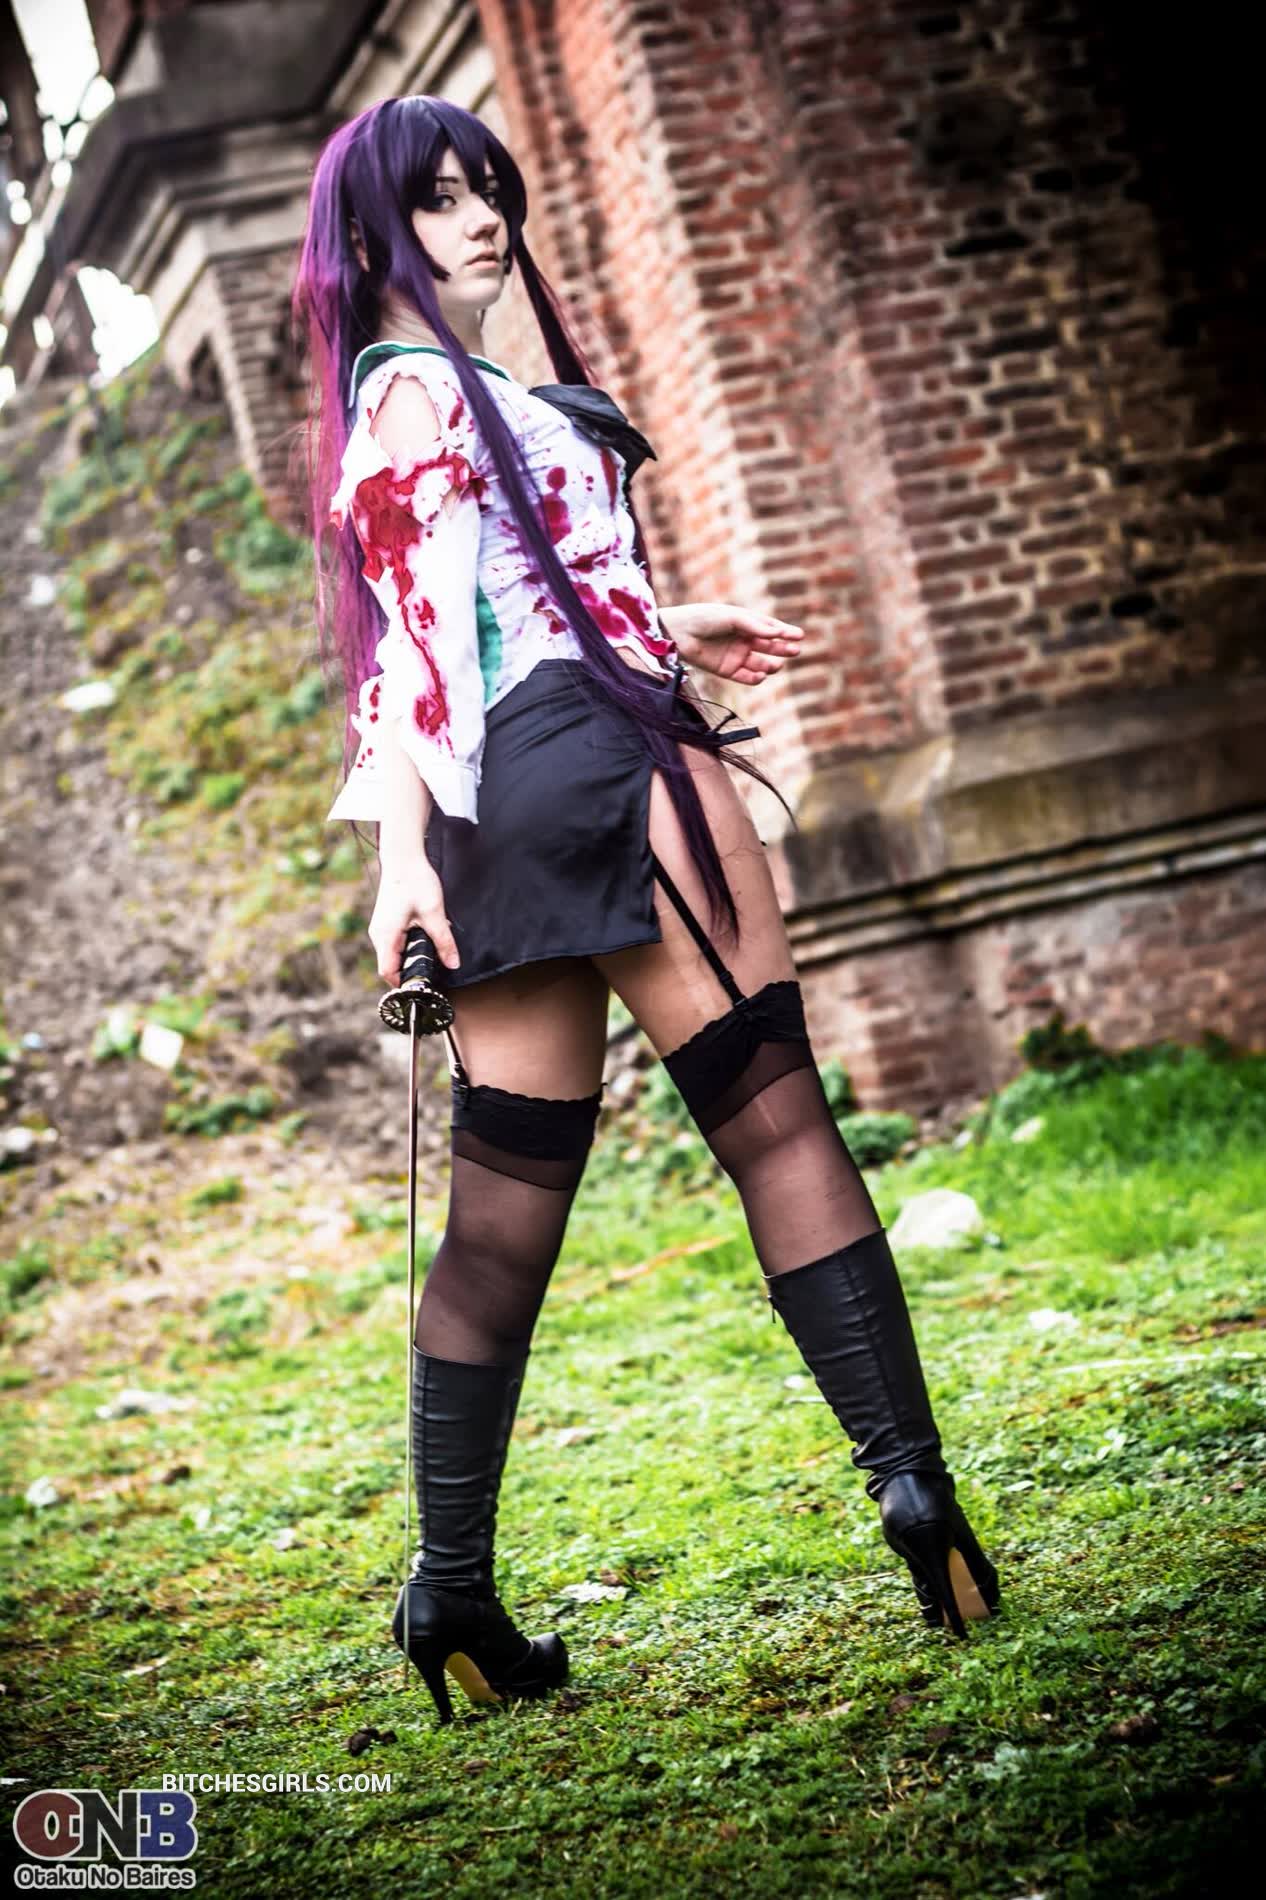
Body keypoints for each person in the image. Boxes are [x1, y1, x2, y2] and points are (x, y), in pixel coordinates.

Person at [292, 95, 999, 1727]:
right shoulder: (419, 395)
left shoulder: (429, 394)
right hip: (602, 771)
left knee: (503, 1212)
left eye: (492, 190)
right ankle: (913, 1492)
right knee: (774, 1125)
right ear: (372, 233)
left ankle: (450, 1592)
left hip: (511, 811)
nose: (484, 219)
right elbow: (416, 655)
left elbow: (497, 610)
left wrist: (673, 621)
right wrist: (396, 860)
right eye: (443, 198)